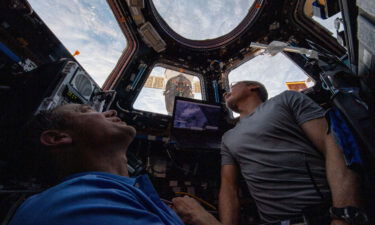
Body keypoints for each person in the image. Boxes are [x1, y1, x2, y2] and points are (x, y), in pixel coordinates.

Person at [173, 81, 365, 225]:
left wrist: (343, 214)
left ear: (253, 86)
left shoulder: (286, 100)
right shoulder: (228, 137)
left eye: (232, 86)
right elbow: (229, 188)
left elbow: (333, 143)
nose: (225, 93)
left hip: (323, 215)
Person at [9, 104, 188, 225]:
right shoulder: (75, 204)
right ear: (58, 138)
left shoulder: (111, 194)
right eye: (86, 110)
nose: (111, 112)